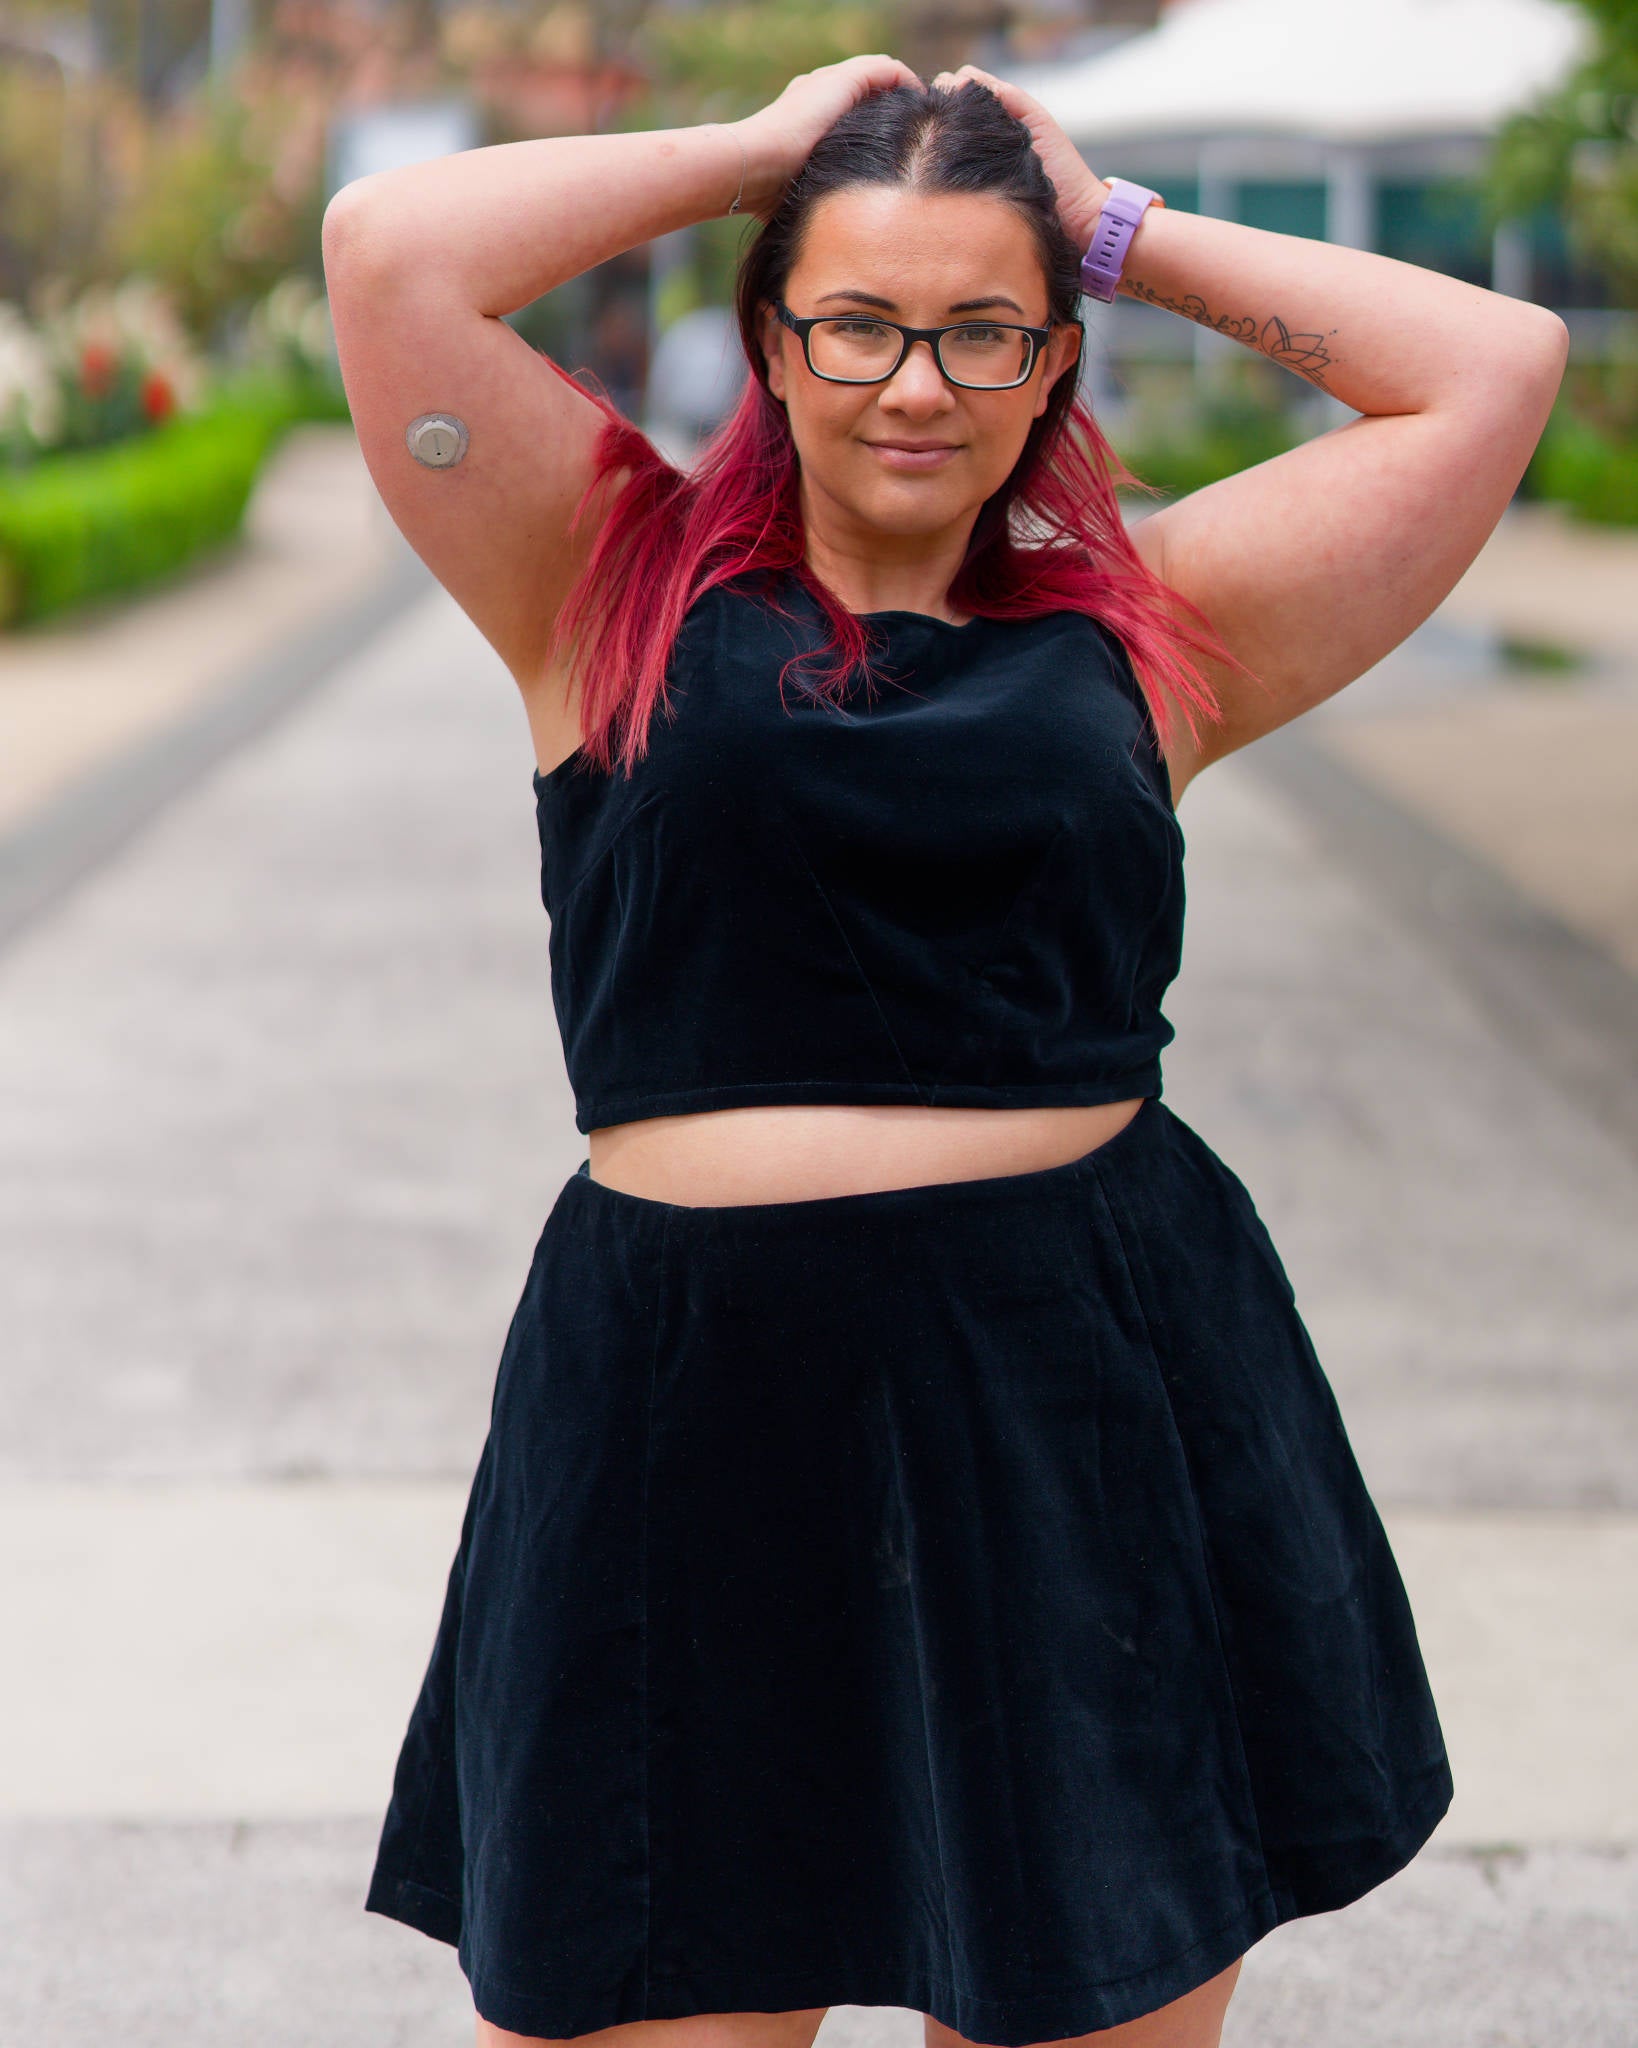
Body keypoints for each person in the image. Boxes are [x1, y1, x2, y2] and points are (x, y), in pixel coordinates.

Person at [321, 53, 1566, 2048]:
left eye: (986, 331)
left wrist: (1116, 222)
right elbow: (390, 253)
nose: (918, 383)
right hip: (685, 1412)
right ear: (774, 342)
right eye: (862, 322)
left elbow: (1493, 367)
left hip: (1062, 1405)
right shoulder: (604, 576)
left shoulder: (1154, 621)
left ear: (1058, 357)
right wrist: (764, 151)